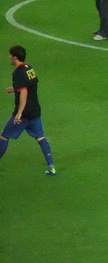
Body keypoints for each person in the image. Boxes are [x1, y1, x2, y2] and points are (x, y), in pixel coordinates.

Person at [0, 46, 56, 176]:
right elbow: (30, 85)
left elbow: (24, 92)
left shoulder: (17, 73)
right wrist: (14, 88)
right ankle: (51, 167)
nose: (9, 57)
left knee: (4, 136)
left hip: (24, 114)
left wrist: (19, 112)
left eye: (10, 55)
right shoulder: (30, 69)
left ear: (15, 57)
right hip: (35, 111)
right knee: (40, 137)